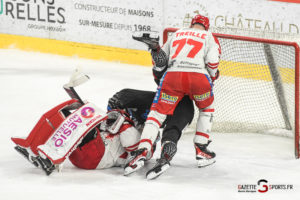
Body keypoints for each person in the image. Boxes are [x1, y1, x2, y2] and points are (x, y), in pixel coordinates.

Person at [124, 14, 221, 179]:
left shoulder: (178, 33)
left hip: (172, 77)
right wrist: (213, 76)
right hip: (198, 78)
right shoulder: (209, 37)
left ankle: (142, 151)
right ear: (207, 27)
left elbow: (162, 61)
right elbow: (212, 62)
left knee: (156, 115)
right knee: (206, 109)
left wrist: (156, 51)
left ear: (191, 24)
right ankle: (201, 149)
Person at [11, 99, 144, 175]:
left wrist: (125, 121)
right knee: (68, 114)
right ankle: (33, 145)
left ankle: (49, 162)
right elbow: (108, 127)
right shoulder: (136, 128)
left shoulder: (143, 141)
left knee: (83, 124)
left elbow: (129, 142)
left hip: (97, 157)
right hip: (85, 152)